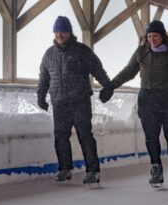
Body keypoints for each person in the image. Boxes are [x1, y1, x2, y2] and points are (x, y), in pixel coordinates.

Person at [99, 20, 168, 187]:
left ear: (163, 36)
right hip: (149, 100)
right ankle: (156, 170)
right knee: (151, 137)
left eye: (155, 36)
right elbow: (128, 71)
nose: (152, 39)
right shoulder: (142, 52)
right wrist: (111, 86)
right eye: (149, 36)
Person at [37, 16, 113, 186]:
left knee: (85, 136)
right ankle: (65, 169)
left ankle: (93, 171)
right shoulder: (49, 54)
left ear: (69, 32)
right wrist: (40, 96)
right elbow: (44, 78)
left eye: (62, 31)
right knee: (60, 137)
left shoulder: (81, 51)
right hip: (59, 103)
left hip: (80, 101)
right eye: (56, 31)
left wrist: (107, 85)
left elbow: (97, 68)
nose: (59, 34)